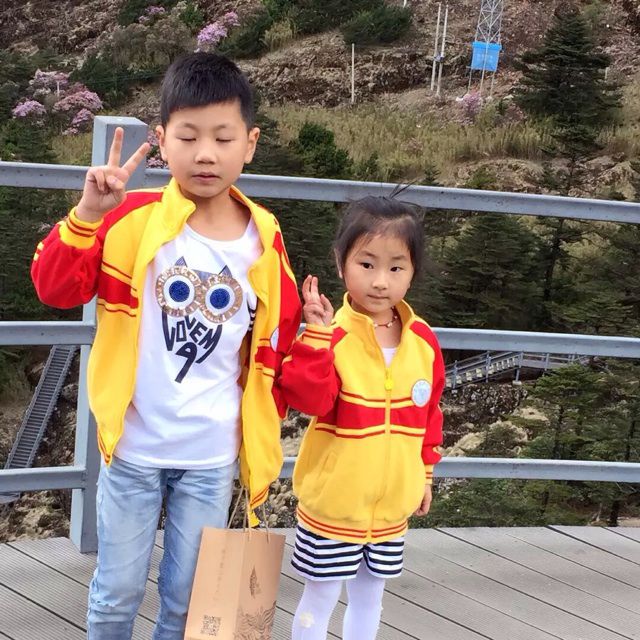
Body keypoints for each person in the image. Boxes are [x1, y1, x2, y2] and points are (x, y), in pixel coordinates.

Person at [31, 52, 301, 640]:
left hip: (212, 454)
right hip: (134, 447)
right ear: (161, 140)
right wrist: (87, 215)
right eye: (188, 136)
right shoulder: (130, 218)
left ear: (250, 144)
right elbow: (55, 289)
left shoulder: (265, 238)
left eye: (223, 138)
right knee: (116, 593)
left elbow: (276, 344)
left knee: (187, 601)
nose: (205, 154)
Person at [280, 195, 444, 640]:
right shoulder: (332, 334)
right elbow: (309, 399)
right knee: (320, 596)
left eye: (396, 267)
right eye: (366, 264)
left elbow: (430, 414)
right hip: (336, 502)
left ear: (412, 271)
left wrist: (425, 475)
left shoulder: (423, 341)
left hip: (391, 507)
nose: (380, 281)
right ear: (341, 263)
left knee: (371, 596)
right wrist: (316, 337)